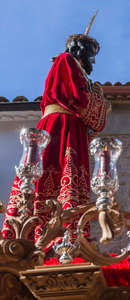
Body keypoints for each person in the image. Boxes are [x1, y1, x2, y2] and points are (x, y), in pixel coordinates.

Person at [1, 14, 111, 242]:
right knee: (51, 175)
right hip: (61, 127)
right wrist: (101, 104)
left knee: (69, 182)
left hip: (73, 129)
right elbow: (77, 98)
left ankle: (67, 234)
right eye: (92, 54)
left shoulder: (78, 71)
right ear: (81, 51)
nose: (94, 61)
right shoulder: (66, 61)